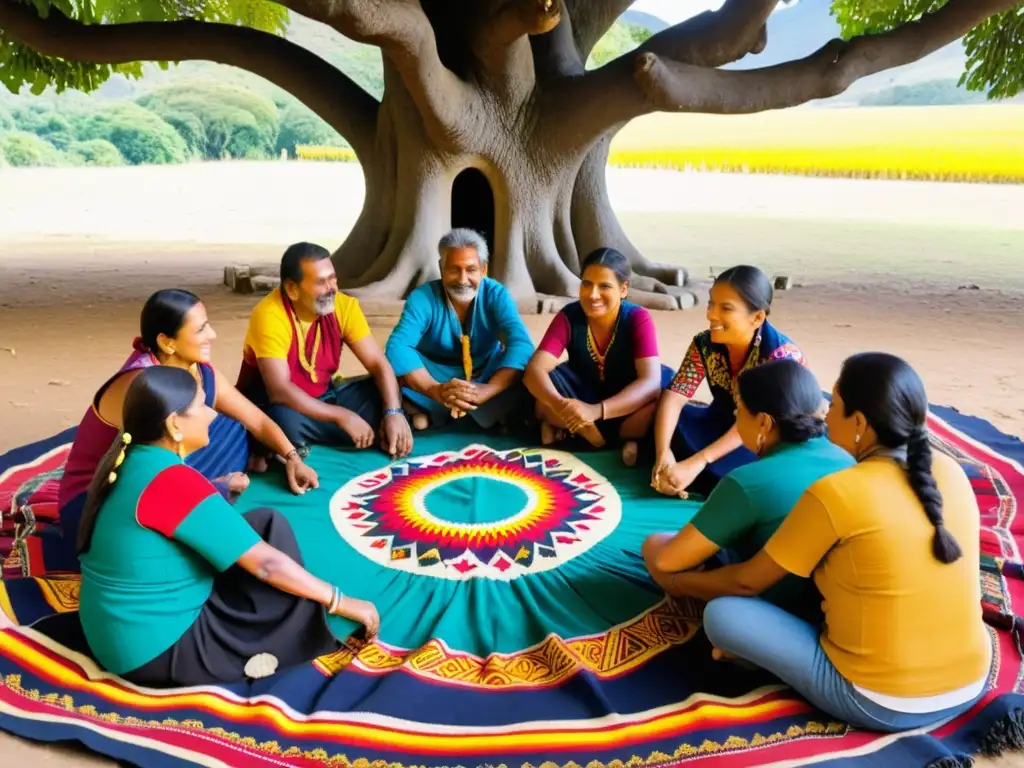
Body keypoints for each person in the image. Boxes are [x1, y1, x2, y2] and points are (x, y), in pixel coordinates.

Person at [662, 353, 991, 733]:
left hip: (880, 701)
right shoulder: (951, 471)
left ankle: (757, 658)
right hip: (971, 681)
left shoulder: (836, 492)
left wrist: (678, 583)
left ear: (860, 424)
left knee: (724, 616)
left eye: (833, 405)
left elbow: (746, 583)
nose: (823, 414)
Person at [77, 366, 381, 688]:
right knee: (273, 563)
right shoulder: (173, 480)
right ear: (174, 424)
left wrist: (216, 489)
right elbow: (266, 566)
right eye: (200, 407)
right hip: (158, 652)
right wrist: (340, 601)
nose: (212, 414)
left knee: (265, 523)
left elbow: (165, 513)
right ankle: (295, 641)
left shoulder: (132, 457)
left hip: (118, 633)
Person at [57, 289, 318, 570]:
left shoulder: (200, 371)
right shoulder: (144, 389)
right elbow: (143, 476)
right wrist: (215, 487)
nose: (213, 335)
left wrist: (292, 457)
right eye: (202, 328)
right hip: (102, 503)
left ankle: (219, 481)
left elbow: (256, 419)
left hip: (168, 464)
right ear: (167, 343)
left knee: (232, 423)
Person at [642, 359, 852, 620]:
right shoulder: (846, 458)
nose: (734, 416)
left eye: (739, 409)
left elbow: (668, 562)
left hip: (781, 606)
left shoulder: (748, 481)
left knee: (655, 547)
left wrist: (678, 583)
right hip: (837, 602)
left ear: (764, 422)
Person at [236, 242, 412, 459]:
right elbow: (279, 390)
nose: (332, 288)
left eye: (333, 278)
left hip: (326, 398)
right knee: (281, 421)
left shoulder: (344, 307)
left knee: (394, 389)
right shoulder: (269, 314)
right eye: (321, 282)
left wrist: (393, 412)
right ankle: (364, 431)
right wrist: (342, 417)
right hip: (282, 408)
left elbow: (378, 364)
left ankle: (378, 426)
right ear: (292, 289)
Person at [652, 265, 805, 496]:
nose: (711, 314)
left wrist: (699, 461)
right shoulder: (704, 343)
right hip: (722, 421)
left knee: (736, 479)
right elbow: (676, 395)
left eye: (726, 308)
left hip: (764, 437)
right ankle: (673, 464)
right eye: (711, 304)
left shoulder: (780, 358)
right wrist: (662, 452)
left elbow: (755, 423)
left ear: (757, 317)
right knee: (660, 405)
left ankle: (692, 471)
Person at [524, 247, 672, 466]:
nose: (593, 295)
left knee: (665, 395)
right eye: (587, 284)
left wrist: (595, 412)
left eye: (604, 286)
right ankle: (623, 441)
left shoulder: (637, 318)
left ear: (623, 290)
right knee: (545, 387)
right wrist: (562, 406)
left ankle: (578, 433)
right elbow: (534, 371)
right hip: (581, 398)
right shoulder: (570, 315)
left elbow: (649, 382)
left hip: (624, 404)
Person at [384, 229, 534, 431]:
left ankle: (425, 410)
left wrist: (489, 389)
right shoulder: (422, 298)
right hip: (434, 376)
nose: (463, 280)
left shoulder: (497, 295)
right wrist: (433, 389)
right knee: (395, 370)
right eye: (454, 269)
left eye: (471, 269)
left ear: (484, 270)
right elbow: (397, 347)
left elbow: (521, 343)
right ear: (441, 268)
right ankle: (482, 414)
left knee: (528, 369)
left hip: (485, 373)